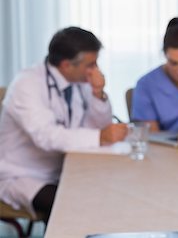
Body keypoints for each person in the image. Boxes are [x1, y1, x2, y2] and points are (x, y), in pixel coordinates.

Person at [0, 26, 128, 224]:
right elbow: (47, 136)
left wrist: (98, 93)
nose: (95, 70)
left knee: (110, 193)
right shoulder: (27, 84)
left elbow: (98, 128)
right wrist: (99, 136)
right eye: (91, 64)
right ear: (67, 65)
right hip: (23, 175)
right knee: (71, 207)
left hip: (65, 167)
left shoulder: (79, 80)